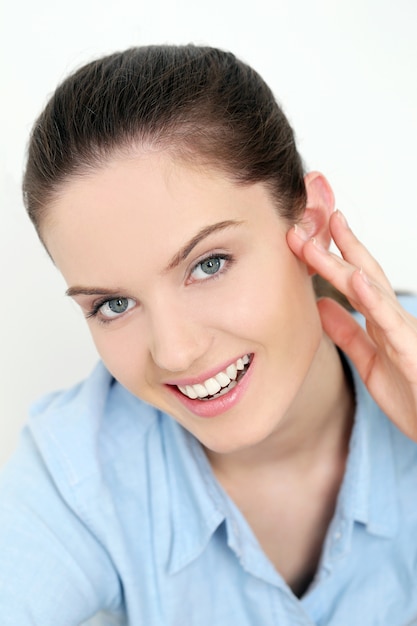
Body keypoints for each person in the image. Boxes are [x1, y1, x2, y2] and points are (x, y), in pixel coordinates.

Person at [1, 44, 417, 626]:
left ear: (310, 223)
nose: (174, 351)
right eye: (114, 304)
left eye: (209, 264)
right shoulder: (77, 469)